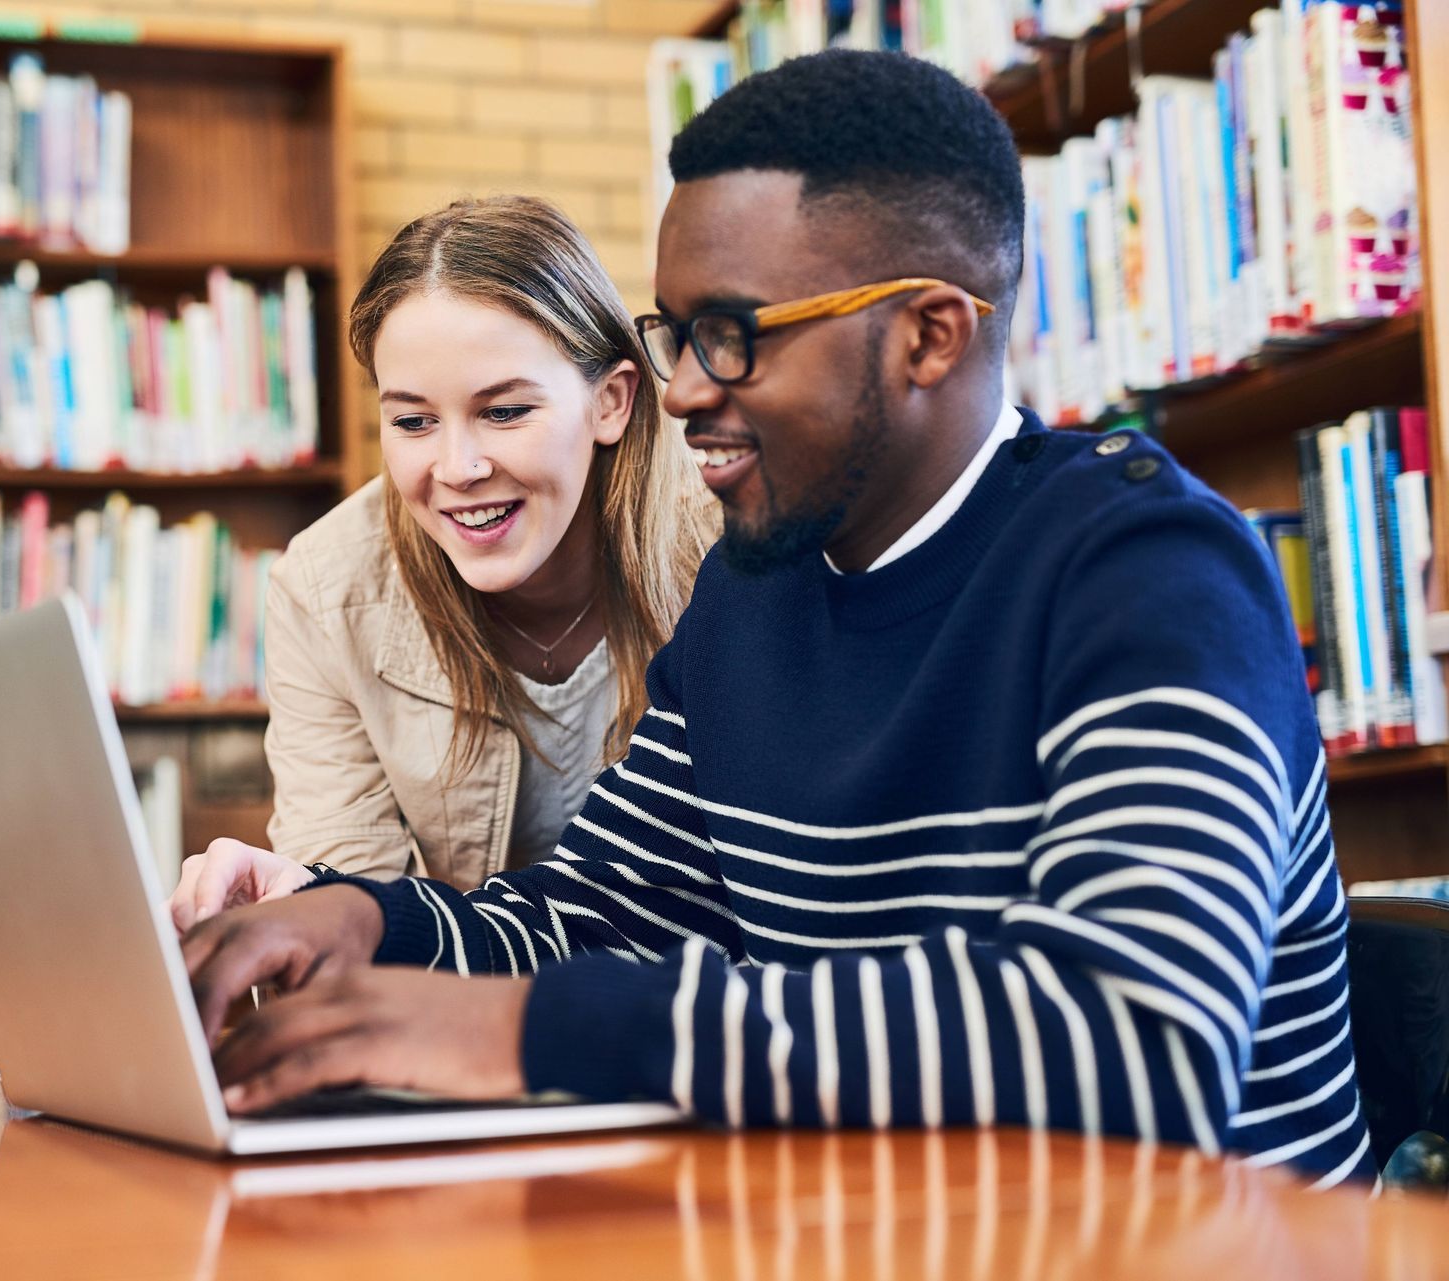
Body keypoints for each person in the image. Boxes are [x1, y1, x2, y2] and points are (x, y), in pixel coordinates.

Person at [178, 49, 1373, 1186]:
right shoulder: (755, 592)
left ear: (929, 335)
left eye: (732, 337)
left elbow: (1134, 1041)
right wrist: (354, 920)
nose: (686, 392)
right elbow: (594, 917)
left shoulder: (1153, 572)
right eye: (674, 332)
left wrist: (532, 1032)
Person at [169, 196, 715, 926]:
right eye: (414, 421)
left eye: (505, 411)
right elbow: (357, 925)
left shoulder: (726, 542)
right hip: (467, 1008)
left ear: (610, 402)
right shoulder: (328, 588)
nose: (456, 467)